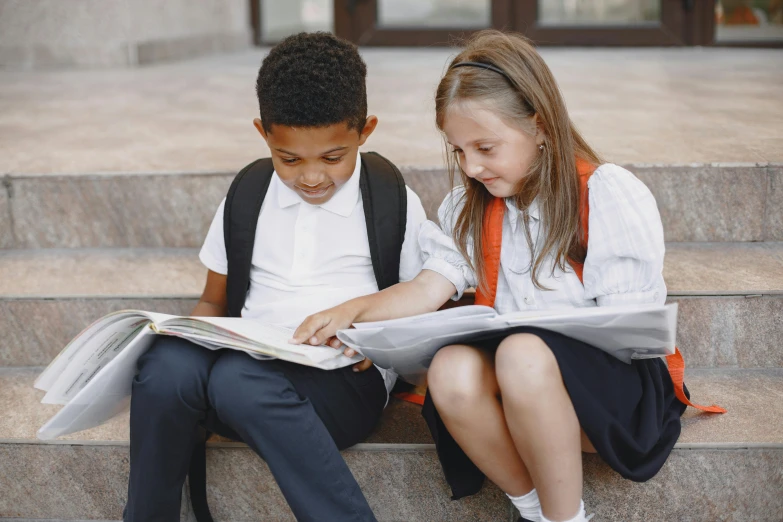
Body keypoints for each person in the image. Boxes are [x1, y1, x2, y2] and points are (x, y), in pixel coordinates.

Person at [293, 30, 699, 522]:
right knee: (452, 369)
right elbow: (427, 287)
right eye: (458, 150)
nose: (472, 167)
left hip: (613, 400)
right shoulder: (468, 206)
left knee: (523, 351)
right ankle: (535, 510)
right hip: (516, 392)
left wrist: (537, 339)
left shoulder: (605, 193)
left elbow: (630, 332)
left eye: (485, 147)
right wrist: (351, 313)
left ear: (541, 126)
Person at [124, 32, 427, 522]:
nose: (311, 176)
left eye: (333, 157)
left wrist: (383, 347)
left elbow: (417, 298)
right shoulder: (246, 198)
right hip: (239, 370)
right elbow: (212, 302)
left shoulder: (390, 201)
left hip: (342, 385)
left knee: (240, 379)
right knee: (166, 368)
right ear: (264, 133)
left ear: (365, 131)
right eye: (290, 159)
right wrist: (181, 335)